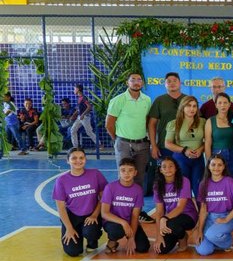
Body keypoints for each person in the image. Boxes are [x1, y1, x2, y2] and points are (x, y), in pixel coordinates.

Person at [105, 73, 152, 223]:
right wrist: (119, 140)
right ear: (127, 82)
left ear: (142, 83)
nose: (136, 82)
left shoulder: (147, 100)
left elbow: (147, 122)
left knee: (139, 178)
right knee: (124, 177)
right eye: (133, 80)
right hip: (124, 143)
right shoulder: (118, 100)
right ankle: (121, 211)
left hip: (142, 144)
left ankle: (137, 211)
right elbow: (109, 124)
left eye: (139, 80)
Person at [53, 147, 108, 256]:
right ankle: (78, 231)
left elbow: (104, 197)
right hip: (73, 216)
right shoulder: (61, 180)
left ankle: (92, 241)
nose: (78, 161)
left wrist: (94, 215)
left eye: (81, 158)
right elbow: (61, 208)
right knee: (72, 252)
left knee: (91, 232)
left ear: (85, 159)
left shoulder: (95, 174)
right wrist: (69, 228)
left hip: (92, 213)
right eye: (74, 158)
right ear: (67, 160)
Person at [193, 154, 233, 256]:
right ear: (208, 166)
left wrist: (226, 219)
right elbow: (203, 209)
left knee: (211, 235)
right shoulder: (204, 184)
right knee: (204, 250)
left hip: (227, 216)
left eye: (219, 165)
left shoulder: (229, 181)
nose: (216, 167)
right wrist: (199, 230)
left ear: (224, 167)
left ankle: (227, 242)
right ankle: (217, 239)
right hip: (211, 218)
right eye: (213, 164)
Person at [100, 157, 150, 255]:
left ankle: (128, 236)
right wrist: (123, 223)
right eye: (123, 170)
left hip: (130, 222)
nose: (126, 173)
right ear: (119, 172)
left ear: (135, 172)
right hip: (113, 222)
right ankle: (112, 241)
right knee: (116, 231)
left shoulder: (138, 190)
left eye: (130, 170)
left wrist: (131, 238)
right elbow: (104, 213)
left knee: (143, 247)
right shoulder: (110, 187)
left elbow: (135, 216)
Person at [151, 156, 198, 254]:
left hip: (188, 215)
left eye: (171, 166)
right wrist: (159, 236)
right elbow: (159, 211)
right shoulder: (157, 186)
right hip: (171, 218)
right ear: (160, 170)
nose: (167, 169)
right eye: (164, 167)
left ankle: (183, 238)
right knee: (162, 249)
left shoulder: (184, 181)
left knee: (171, 224)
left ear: (176, 168)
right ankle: (178, 233)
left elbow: (180, 207)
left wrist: (165, 218)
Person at [164, 96, 205, 196]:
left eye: (194, 106)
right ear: (182, 107)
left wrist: (200, 149)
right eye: (189, 106)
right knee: (183, 190)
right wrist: (184, 150)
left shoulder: (203, 122)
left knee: (199, 188)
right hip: (181, 159)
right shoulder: (174, 123)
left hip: (198, 159)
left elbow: (208, 141)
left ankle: (200, 207)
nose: (192, 109)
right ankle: (185, 207)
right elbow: (167, 143)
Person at [148, 72, 186, 162]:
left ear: (180, 83)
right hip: (164, 145)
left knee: (183, 171)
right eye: (169, 81)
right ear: (165, 84)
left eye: (175, 81)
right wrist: (153, 145)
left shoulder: (187, 100)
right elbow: (151, 124)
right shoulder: (159, 100)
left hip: (185, 145)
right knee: (166, 170)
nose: (172, 83)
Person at [204, 92, 233, 178]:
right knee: (217, 182)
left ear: (229, 104)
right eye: (219, 103)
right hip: (216, 157)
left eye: (225, 102)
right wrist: (209, 162)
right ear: (216, 105)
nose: (222, 105)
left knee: (231, 182)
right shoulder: (210, 121)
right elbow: (207, 143)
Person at [70, 84, 100, 149]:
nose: (73, 90)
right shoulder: (79, 98)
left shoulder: (83, 98)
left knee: (89, 132)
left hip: (85, 117)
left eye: (74, 89)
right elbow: (78, 109)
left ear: (78, 89)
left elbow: (89, 107)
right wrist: (73, 115)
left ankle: (100, 145)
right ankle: (75, 147)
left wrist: (83, 115)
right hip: (80, 117)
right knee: (73, 130)